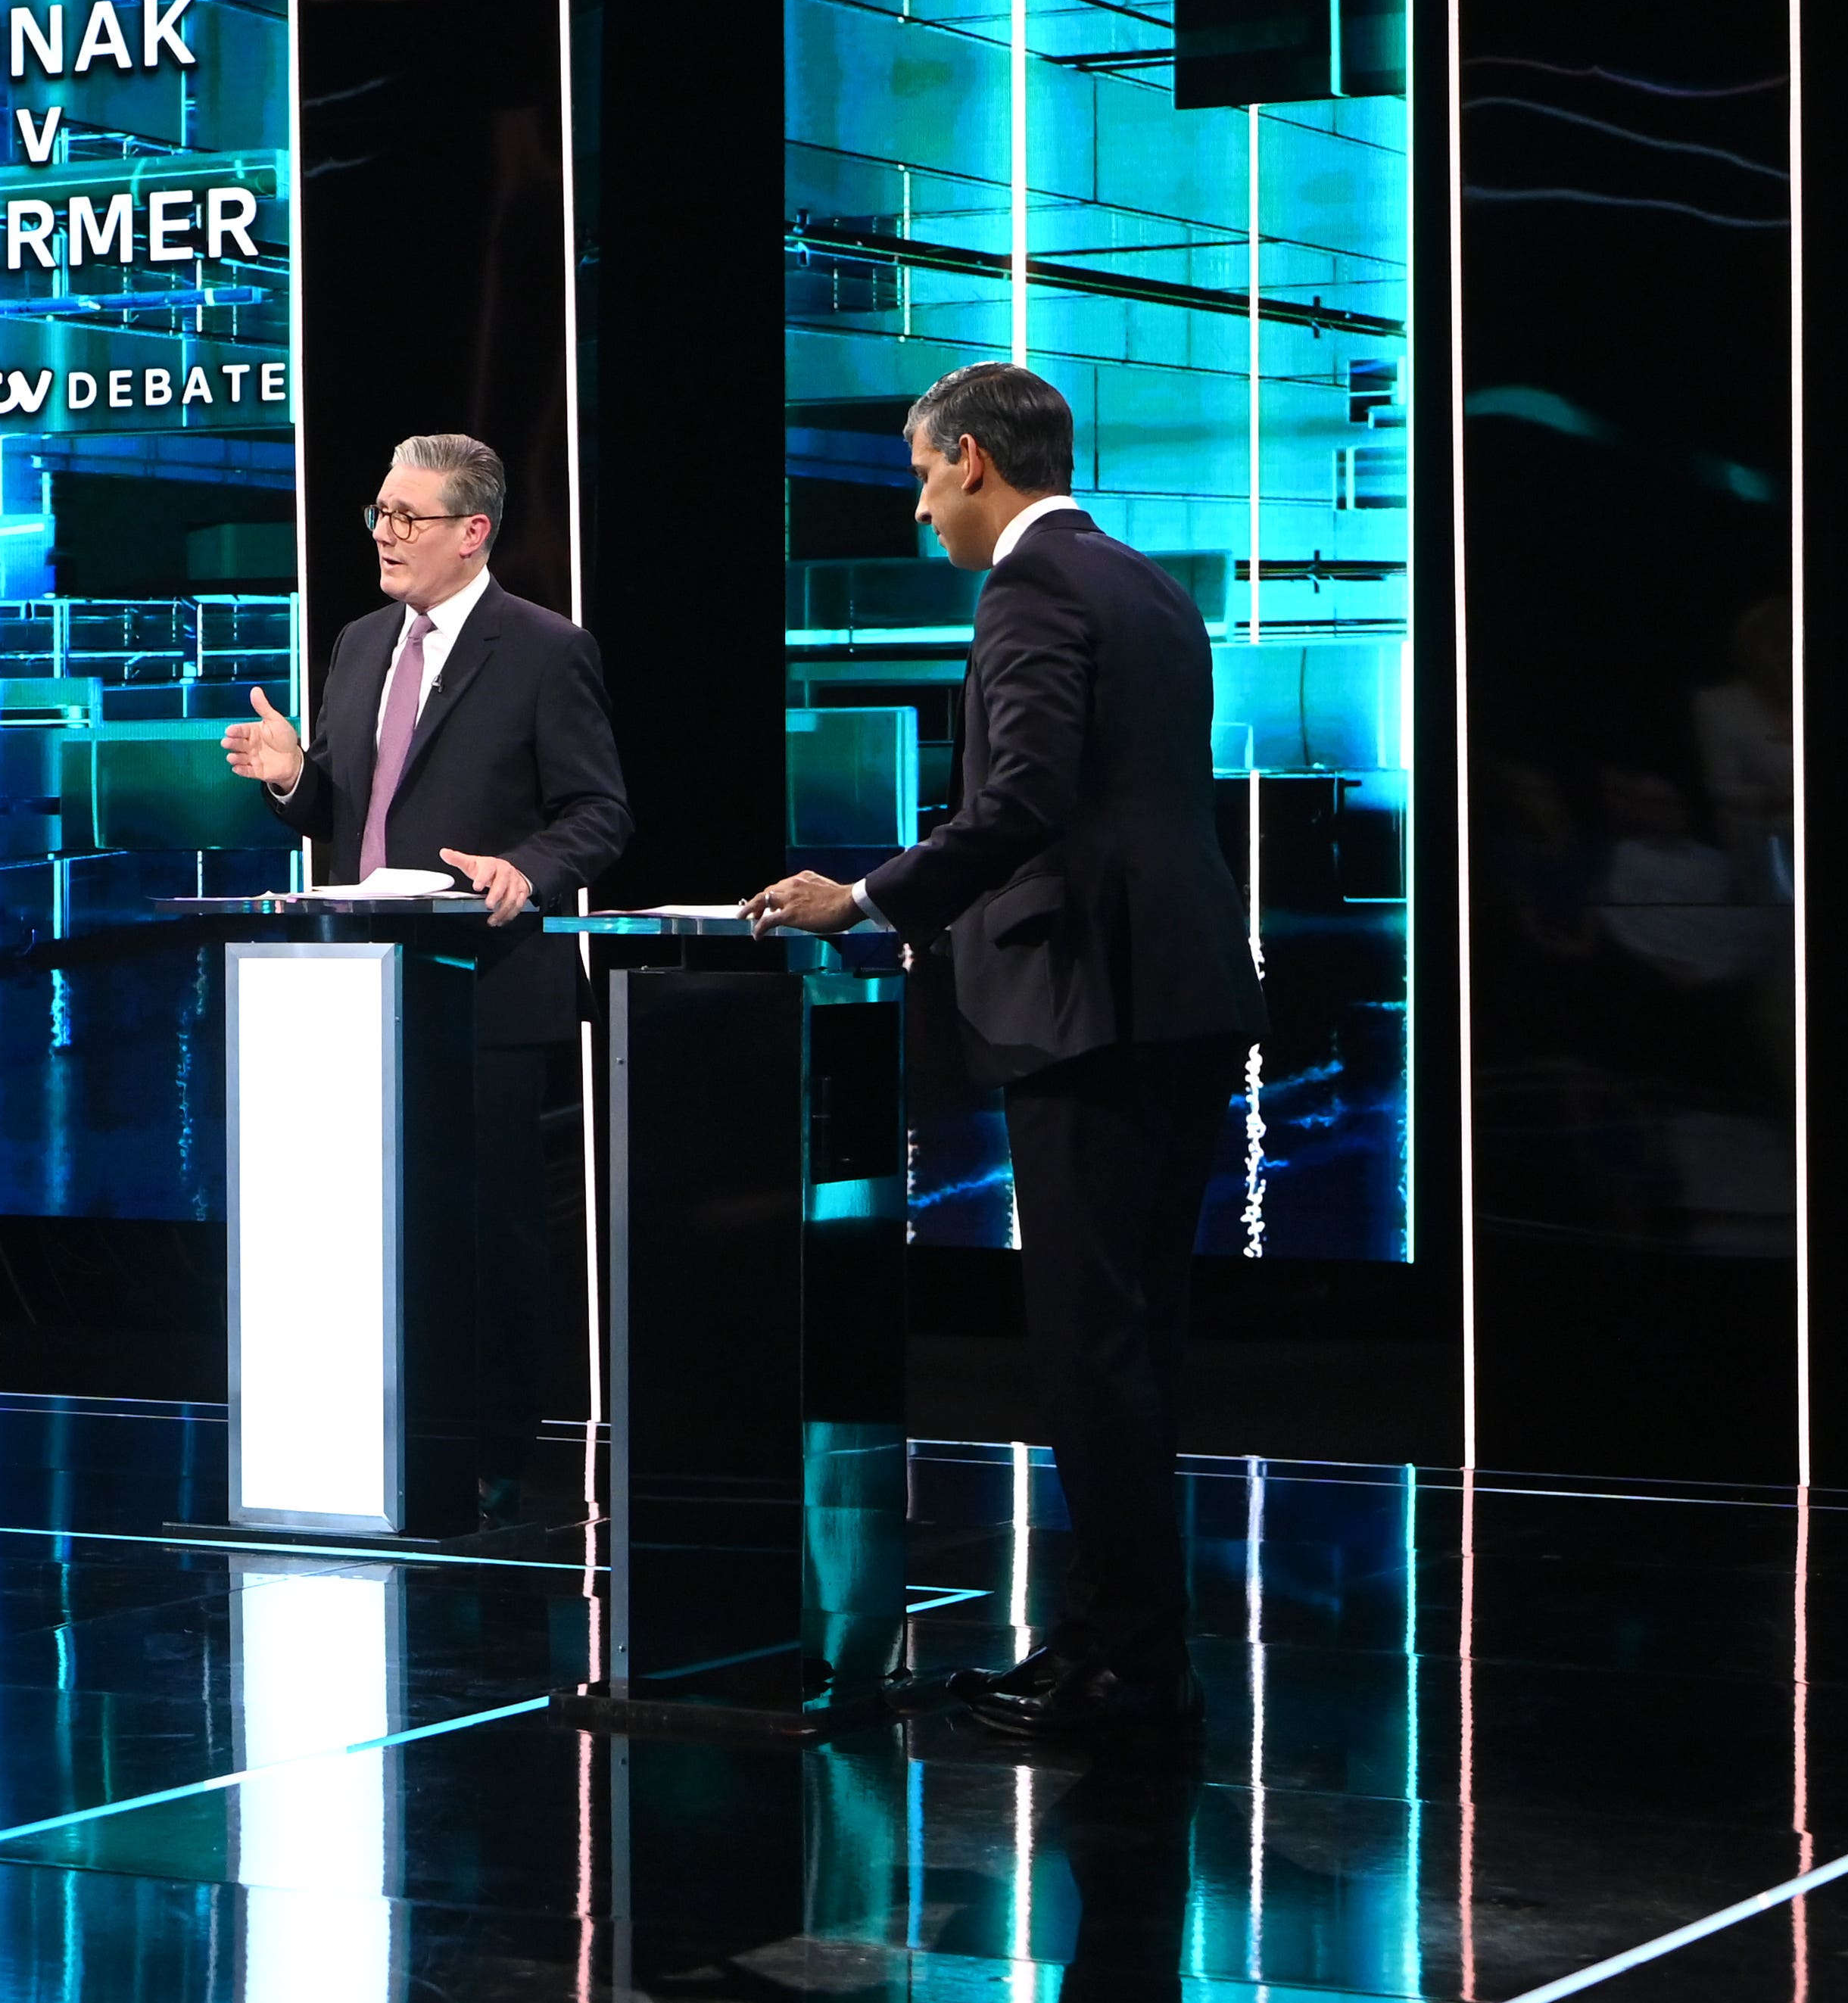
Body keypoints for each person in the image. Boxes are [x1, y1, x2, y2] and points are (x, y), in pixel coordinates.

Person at [743, 361, 1261, 1742]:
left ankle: (1134, 1664)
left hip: (1091, 999)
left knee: (1093, 1346)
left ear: (974, 459)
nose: (919, 509)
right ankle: (1111, 1644)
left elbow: (1024, 797)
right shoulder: (1146, 583)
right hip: (1185, 991)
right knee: (1136, 1337)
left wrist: (866, 897)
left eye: (922, 476)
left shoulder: (1031, 590)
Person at [219, 431, 631, 1521]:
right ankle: (379, 1439)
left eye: (408, 518)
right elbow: (348, 815)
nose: (386, 536)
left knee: (486, 1239)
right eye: (380, 514)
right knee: (376, 1238)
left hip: (488, 991)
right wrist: (294, 777)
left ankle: (500, 1456)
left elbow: (599, 811)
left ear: (473, 530)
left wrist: (524, 870)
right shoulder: (360, 642)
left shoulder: (544, 648)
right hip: (359, 997)